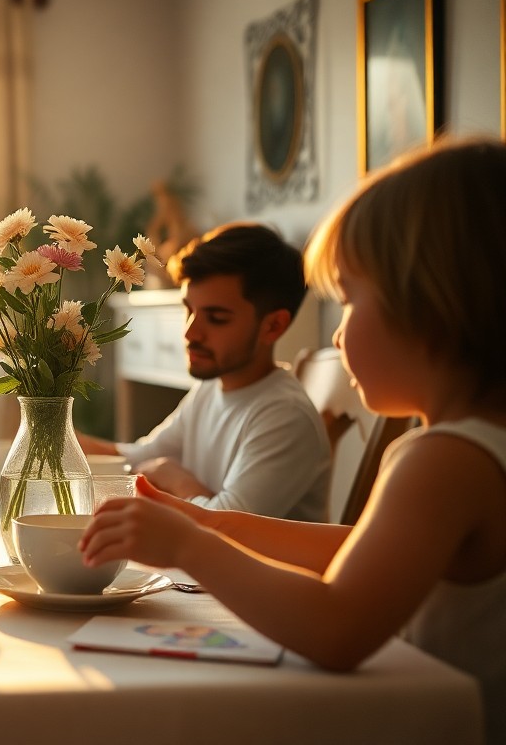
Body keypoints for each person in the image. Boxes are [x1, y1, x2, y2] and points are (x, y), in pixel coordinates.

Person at [80, 138, 506, 743]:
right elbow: (355, 549)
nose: (337, 335)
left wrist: (189, 545)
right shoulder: (473, 446)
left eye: (352, 302)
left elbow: (337, 629)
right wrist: (205, 523)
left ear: (431, 310)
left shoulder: (445, 460)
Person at [79, 223, 330, 521]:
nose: (190, 333)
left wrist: (176, 480)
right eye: (189, 310)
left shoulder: (285, 416)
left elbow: (228, 526)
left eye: (216, 318)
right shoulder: (212, 387)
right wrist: (54, 432)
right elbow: (139, 458)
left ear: (273, 326)